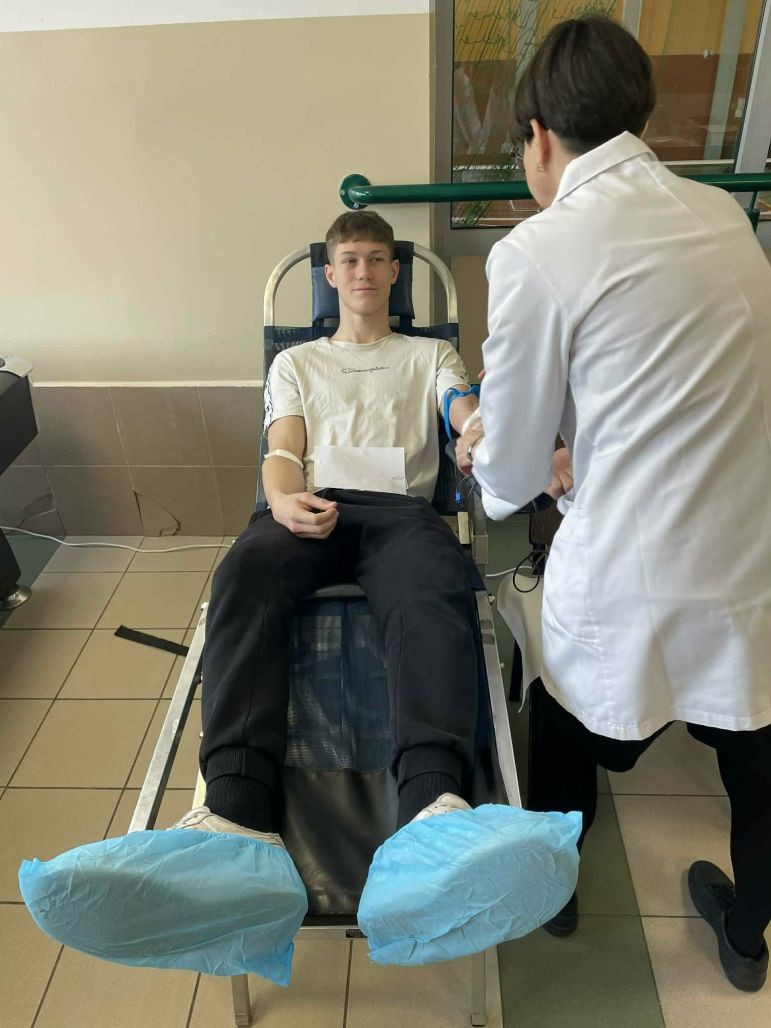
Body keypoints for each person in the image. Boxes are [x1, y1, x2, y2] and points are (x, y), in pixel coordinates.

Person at [460, 14, 771, 993]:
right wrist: (575, 440)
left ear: (538, 136)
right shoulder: (721, 215)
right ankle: (748, 935)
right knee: (754, 752)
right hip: (748, 559)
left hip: (631, 576)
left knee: (562, 723)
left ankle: (554, 892)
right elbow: (677, 383)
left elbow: (506, 484)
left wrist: (486, 445)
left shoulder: (539, 249)